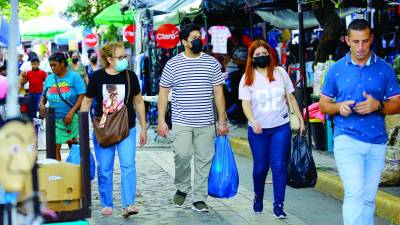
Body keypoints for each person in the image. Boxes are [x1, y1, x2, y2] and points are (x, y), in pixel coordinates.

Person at [319, 19, 400, 225]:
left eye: (365, 41)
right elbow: (323, 105)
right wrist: (339, 107)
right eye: (356, 42)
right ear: (347, 40)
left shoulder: (385, 69)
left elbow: (397, 104)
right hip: (347, 138)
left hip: (377, 141)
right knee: (355, 192)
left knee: (369, 197)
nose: (361, 47)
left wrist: (378, 106)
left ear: (371, 38)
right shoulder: (336, 69)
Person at [157, 24, 229, 212]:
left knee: (204, 160)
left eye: (200, 37)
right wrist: (161, 120)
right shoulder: (173, 64)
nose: (198, 40)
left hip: (206, 122)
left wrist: (222, 120)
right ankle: (182, 187)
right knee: (181, 155)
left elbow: (219, 93)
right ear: (184, 42)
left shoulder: (212, 63)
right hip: (181, 121)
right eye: (194, 38)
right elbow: (163, 93)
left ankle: (199, 197)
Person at [80, 41, 147, 218]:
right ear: (109, 59)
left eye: (125, 56)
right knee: (105, 168)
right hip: (103, 127)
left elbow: (138, 101)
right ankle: (106, 203)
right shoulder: (97, 77)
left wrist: (144, 127)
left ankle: (128, 204)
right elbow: (86, 102)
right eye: (120, 57)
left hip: (127, 126)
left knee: (128, 165)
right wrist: (82, 129)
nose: (124, 59)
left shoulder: (130, 76)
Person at [238, 40, 304, 218]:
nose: (261, 57)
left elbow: (290, 97)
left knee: (278, 166)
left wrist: (300, 119)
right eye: (257, 55)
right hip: (258, 130)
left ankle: (278, 205)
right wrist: (253, 121)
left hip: (280, 127)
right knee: (260, 168)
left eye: (264, 54)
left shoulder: (280, 73)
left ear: (270, 54)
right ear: (252, 58)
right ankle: (258, 197)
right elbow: (245, 104)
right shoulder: (247, 78)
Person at [39, 52, 86, 161]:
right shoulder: (49, 79)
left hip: (71, 119)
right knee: (55, 148)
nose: (52, 68)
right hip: (53, 120)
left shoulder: (74, 77)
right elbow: (44, 95)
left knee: (75, 148)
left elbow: (81, 96)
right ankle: (58, 174)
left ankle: (76, 172)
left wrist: (71, 112)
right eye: (50, 65)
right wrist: (41, 103)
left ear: (63, 64)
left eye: (54, 65)